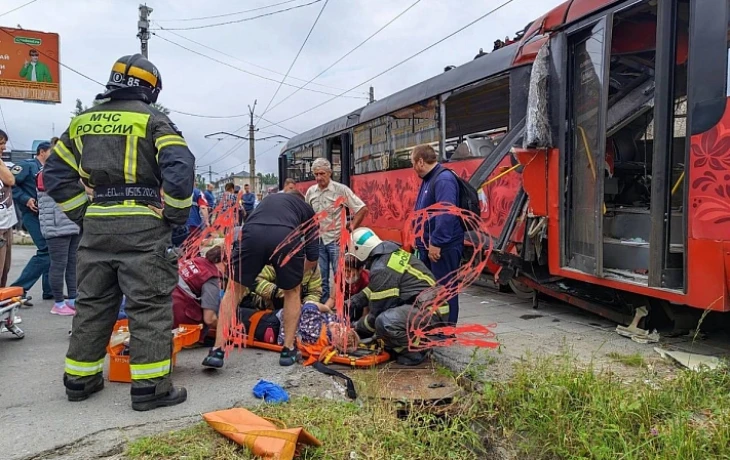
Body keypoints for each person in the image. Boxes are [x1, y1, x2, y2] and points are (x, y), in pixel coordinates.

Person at [44, 53, 195, 411]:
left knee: (93, 305)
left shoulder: (81, 123)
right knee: (149, 307)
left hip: (96, 227)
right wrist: (174, 215)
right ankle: (151, 390)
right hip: (143, 227)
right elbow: (179, 164)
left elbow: (54, 175)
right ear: (151, 89)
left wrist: (83, 213)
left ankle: (79, 380)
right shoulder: (154, 120)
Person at [203, 189, 319, 369]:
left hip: (251, 233)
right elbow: (312, 258)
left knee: (233, 291)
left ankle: (217, 350)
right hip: (285, 236)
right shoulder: (307, 210)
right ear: (301, 202)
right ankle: (288, 350)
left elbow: (249, 227)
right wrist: (293, 277)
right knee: (292, 292)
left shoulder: (266, 201)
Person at [348, 227, 448, 366]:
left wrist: (354, 327)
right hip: (429, 307)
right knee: (384, 324)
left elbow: (375, 314)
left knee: (384, 321)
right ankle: (404, 343)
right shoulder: (388, 257)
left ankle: (415, 352)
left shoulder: (381, 268)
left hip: (430, 311)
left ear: (360, 250)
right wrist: (352, 303)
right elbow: (374, 289)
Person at [411, 144, 464, 325]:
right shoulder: (428, 179)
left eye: (413, 163)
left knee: (445, 288)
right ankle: (435, 326)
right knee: (433, 289)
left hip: (442, 247)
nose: (413, 168)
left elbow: (446, 212)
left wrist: (437, 242)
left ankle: (446, 331)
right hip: (429, 245)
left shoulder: (443, 180)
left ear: (420, 161)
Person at [305, 158, 369, 304]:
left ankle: (343, 306)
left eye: (322, 173)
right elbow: (306, 214)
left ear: (330, 173)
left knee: (341, 275)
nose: (319, 178)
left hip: (336, 240)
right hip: (318, 240)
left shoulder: (341, 190)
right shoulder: (311, 192)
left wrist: (350, 228)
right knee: (321, 277)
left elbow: (362, 209)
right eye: (316, 174)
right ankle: (323, 307)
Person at [10, 142, 53, 303]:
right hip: (31, 215)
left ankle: (50, 290)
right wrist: (25, 199)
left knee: (52, 250)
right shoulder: (26, 166)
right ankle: (18, 289)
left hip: (47, 215)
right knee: (46, 250)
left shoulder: (51, 169)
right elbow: (10, 184)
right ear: (42, 151)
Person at [37, 170, 80, 316]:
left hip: (73, 222)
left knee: (72, 263)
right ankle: (59, 302)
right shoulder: (47, 172)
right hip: (56, 225)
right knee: (58, 264)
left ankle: (73, 298)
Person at [173, 245, 224, 335]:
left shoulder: (196, 260)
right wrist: (225, 328)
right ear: (225, 262)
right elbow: (209, 319)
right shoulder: (212, 278)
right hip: (178, 317)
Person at [324, 253, 370, 321]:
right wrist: (322, 311)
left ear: (360, 270)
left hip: (361, 308)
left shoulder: (367, 280)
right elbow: (332, 299)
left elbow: (366, 310)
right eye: (344, 270)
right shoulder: (340, 276)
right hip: (346, 306)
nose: (346, 275)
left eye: (349, 271)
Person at [0, 130, 17, 288]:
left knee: (5, 270)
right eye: (1, 144)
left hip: (6, 222)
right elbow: (10, 179)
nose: (4, 148)